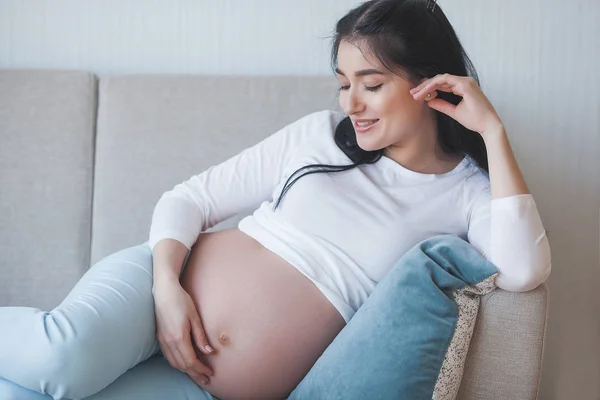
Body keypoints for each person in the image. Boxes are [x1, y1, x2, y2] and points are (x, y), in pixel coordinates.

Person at [0, 0, 551, 399]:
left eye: (371, 83)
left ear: (430, 84)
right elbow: (189, 198)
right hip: (153, 295)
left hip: (204, 385)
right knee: (58, 358)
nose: (351, 101)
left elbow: (525, 270)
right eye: (343, 82)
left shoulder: (466, 194)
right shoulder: (318, 134)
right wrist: (167, 288)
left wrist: (493, 134)